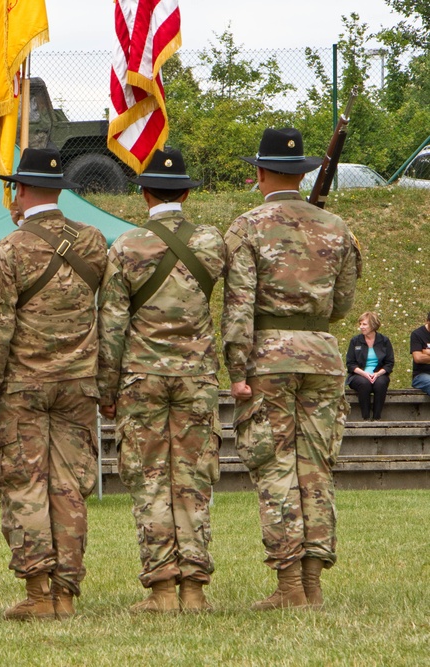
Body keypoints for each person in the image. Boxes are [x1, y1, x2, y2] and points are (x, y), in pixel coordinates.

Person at [222, 127, 360, 610]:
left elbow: (238, 307)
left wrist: (236, 369)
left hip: (269, 355)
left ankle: (289, 588)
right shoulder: (337, 226)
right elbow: (342, 303)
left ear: (260, 172)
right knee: (316, 467)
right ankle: (314, 584)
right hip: (322, 354)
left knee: (275, 466)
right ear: (300, 174)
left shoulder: (247, 226)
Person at [0, 147, 107, 621]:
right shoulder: (92, 241)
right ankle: (66, 593)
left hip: (24, 386)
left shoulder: (10, 249)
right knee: (69, 487)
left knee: (25, 484)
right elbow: (107, 317)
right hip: (79, 384)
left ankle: (37, 593)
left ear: (21, 190)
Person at [97, 147, 223, 613]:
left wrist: (107, 389)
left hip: (142, 378)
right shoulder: (211, 241)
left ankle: (162, 591)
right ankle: (194, 589)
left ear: (144, 193)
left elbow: (110, 324)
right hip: (196, 377)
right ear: (186, 192)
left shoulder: (128, 246)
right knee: (192, 480)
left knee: (150, 481)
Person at [346, 311, 394, 420]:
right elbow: (350, 364)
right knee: (364, 383)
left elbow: (389, 363)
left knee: (381, 383)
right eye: (360, 324)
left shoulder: (384, 341)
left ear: (373, 325)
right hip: (359, 375)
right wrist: (365, 374)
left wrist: (377, 374)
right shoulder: (355, 341)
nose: (361, 327)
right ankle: (366, 418)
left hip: (379, 374)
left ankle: (377, 417)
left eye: (364, 324)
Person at [409, 312, 430, 397]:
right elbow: (418, 358)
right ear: (427, 321)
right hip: (421, 375)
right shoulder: (417, 334)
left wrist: (427, 352)